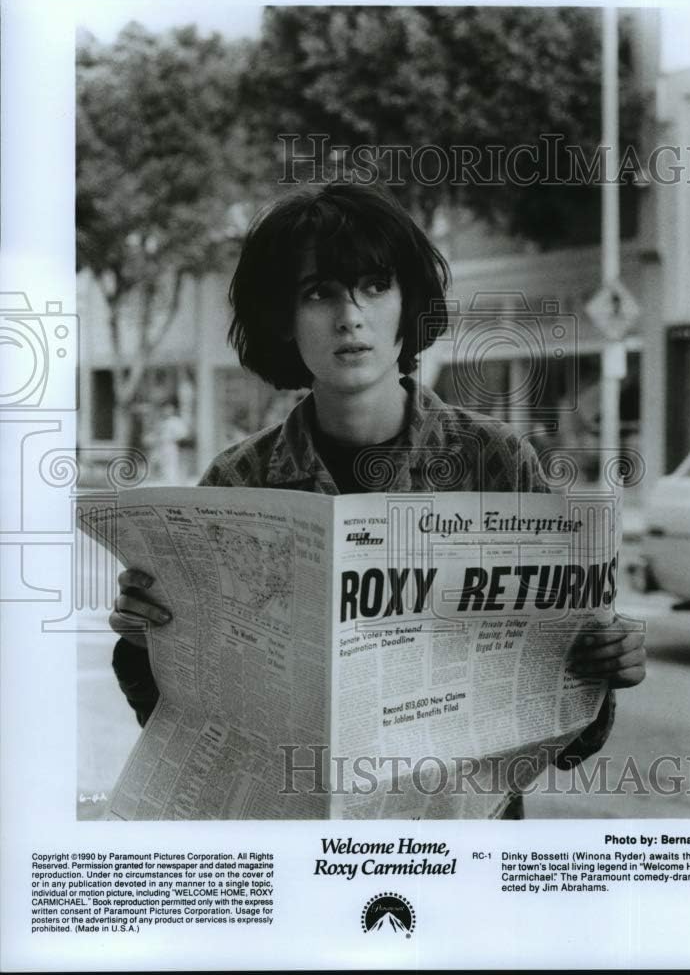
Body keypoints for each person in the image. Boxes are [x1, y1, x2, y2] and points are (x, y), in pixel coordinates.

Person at [110, 182, 646, 818]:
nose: (350, 316)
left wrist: (605, 663)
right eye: (319, 293)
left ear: (408, 304)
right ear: (283, 317)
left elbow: (563, 740)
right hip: (300, 839)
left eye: (374, 286)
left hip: (459, 851)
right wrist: (149, 639)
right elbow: (186, 722)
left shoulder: (495, 462)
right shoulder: (238, 481)